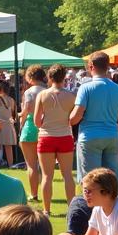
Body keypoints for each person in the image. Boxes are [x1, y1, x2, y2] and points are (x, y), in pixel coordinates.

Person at [70, 51, 118, 198]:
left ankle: (91, 211)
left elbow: (76, 116)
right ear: (107, 66)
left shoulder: (86, 88)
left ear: (91, 66)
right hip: (112, 136)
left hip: (90, 137)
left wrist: (68, 118)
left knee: (90, 179)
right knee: (114, 178)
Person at [34, 63, 76, 216]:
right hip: (65, 136)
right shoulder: (72, 96)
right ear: (64, 77)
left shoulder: (42, 95)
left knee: (47, 176)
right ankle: (72, 209)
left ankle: (46, 209)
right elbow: (74, 118)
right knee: (67, 175)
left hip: (46, 137)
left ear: (49, 78)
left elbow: (37, 121)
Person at [18, 65, 47, 202]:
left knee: (31, 165)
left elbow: (27, 110)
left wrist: (20, 119)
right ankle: (46, 194)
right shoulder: (49, 91)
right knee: (45, 166)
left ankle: (34, 194)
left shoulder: (29, 92)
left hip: (30, 128)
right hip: (46, 129)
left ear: (30, 77)